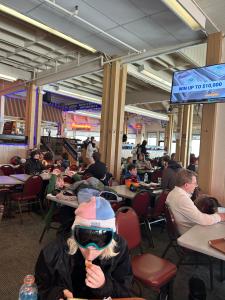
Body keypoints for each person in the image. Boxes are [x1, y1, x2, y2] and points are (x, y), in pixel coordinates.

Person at [35, 197, 133, 300]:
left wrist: (104, 285)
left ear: (110, 240)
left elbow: (126, 291)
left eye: (98, 244)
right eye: (84, 240)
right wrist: (55, 294)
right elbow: (39, 287)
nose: (90, 254)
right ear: (74, 235)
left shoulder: (120, 248)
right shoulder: (52, 252)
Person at [166, 169, 225, 235]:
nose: (196, 186)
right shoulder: (182, 198)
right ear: (186, 185)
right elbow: (202, 220)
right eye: (194, 183)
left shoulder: (173, 192)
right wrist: (220, 217)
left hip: (186, 228)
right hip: (189, 232)